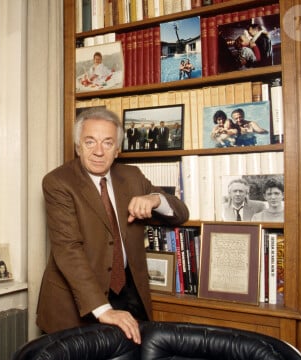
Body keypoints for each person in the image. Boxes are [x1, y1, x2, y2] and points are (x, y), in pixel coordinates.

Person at [36, 107, 189, 342]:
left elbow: (181, 214)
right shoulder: (58, 182)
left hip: (129, 295)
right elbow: (68, 250)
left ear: (117, 150)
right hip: (77, 303)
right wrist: (103, 309)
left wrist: (155, 199)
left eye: (107, 143)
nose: (98, 151)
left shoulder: (132, 176)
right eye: (90, 142)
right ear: (78, 146)